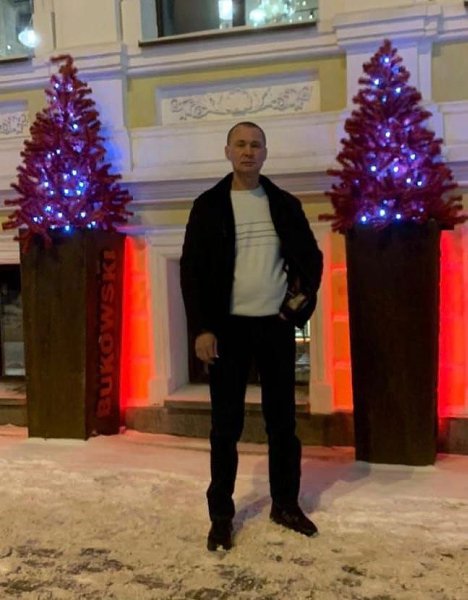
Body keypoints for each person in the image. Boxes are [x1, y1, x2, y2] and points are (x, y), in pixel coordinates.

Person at [180, 121, 323, 551]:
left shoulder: (284, 204)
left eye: (255, 145)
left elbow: (311, 260)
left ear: (265, 152)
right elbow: (192, 273)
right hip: (227, 330)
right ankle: (221, 516)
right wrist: (202, 328)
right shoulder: (208, 206)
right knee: (225, 427)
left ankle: (285, 504)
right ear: (227, 151)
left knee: (283, 424)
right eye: (240, 144)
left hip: (274, 327)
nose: (248, 151)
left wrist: (294, 310)